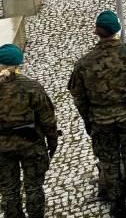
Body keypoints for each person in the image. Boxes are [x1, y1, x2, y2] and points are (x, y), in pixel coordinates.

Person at [68, 10, 126, 218]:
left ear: (96, 32)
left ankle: (116, 202)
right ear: (118, 30)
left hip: (100, 120)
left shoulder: (84, 63)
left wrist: (89, 119)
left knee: (110, 161)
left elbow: (79, 97)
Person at [0, 42, 59, 218]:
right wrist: (52, 142)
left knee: (8, 189)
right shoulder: (31, 87)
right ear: (19, 63)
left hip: (2, 149)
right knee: (34, 187)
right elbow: (47, 119)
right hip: (31, 145)